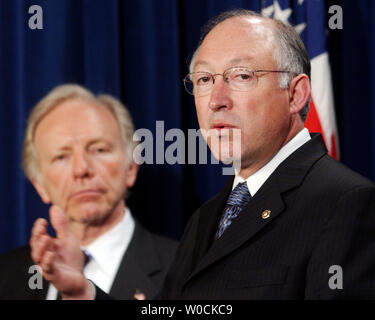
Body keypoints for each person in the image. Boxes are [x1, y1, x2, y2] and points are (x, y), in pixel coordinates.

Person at [30, 9, 375, 300]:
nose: (216, 99)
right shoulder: (207, 218)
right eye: (204, 80)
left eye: (241, 76)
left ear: (296, 94)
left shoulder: (346, 203)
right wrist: (83, 293)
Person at [0, 84, 177, 300]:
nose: (81, 169)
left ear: (131, 168)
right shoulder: (6, 277)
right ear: (40, 185)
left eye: (99, 150)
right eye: (61, 157)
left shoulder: (182, 270)